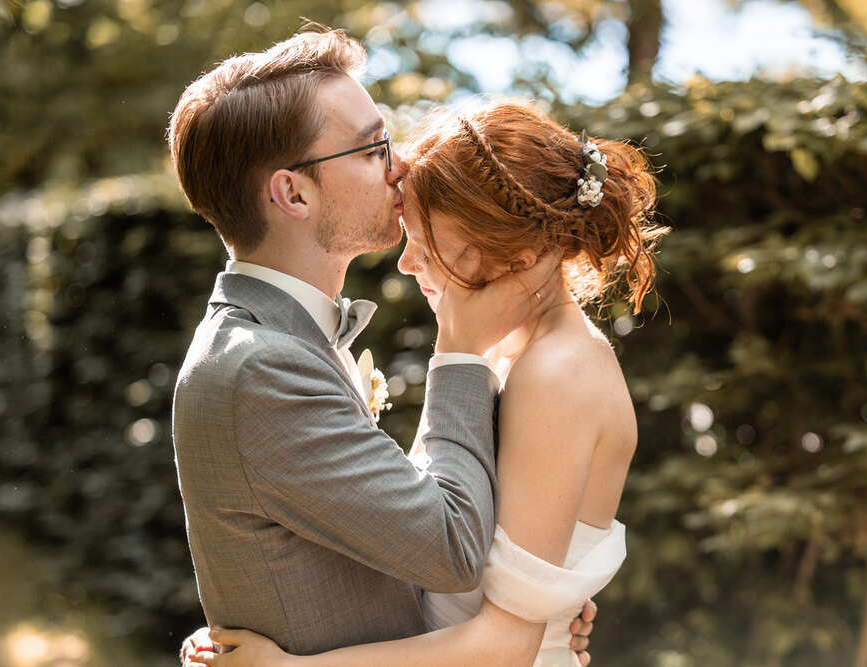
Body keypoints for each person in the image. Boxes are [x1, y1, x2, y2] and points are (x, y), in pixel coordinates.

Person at [167, 24, 595, 667]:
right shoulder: (262, 368)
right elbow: (450, 546)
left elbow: (396, 530)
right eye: (373, 150)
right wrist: (459, 352)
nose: (400, 168)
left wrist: (535, 597)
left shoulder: (282, 340)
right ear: (293, 192)